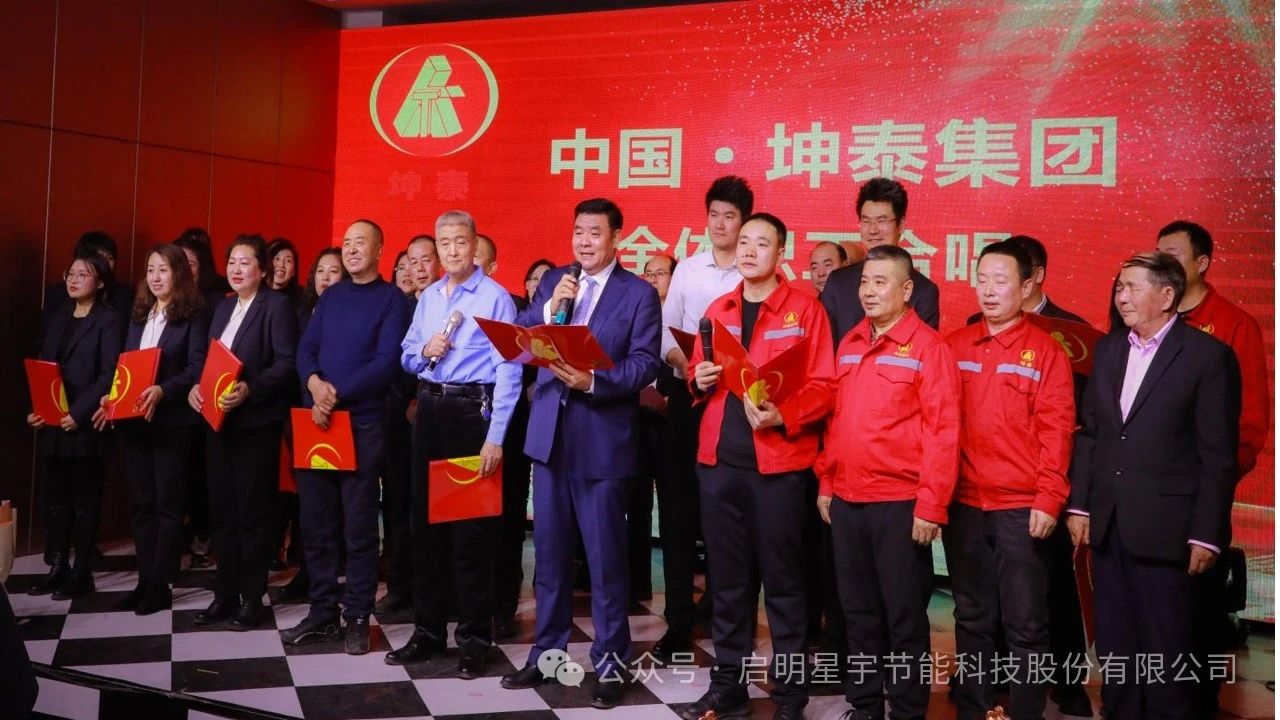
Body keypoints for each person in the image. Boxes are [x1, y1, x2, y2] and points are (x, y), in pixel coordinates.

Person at [500, 198, 661, 710]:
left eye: (595, 232)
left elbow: (644, 364)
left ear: (617, 238)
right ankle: (546, 655)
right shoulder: (555, 282)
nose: (584, 241)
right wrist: (551, 310)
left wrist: (593, 380)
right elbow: (521, 338)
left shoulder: (638, 294)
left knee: (605, 561)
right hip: (550, 437)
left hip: (602, 440)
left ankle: (610, 665)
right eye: (578, 232)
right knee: (549, 558)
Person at [1066, 252, 1240, 720]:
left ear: (1167, 296)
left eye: (1132, 287)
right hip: (1110, 525)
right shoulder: (1109, 350)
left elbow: (1218, 455)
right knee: (1117, 650)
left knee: (1167, 652)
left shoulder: (1208, 357)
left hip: (1171, 531)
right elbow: (1093, 434)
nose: (1121, 297)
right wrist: (1080, 505)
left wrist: (1207, 533)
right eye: (1119, 287)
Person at [681, 212, 836, 720]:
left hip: (780, 470)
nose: (748, 251)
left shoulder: (805, 310)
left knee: (785, 586)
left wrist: (783, 414)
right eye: (743, 242)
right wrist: (699, 377)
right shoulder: (718, 308)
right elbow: (696, 372)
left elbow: (825, 385)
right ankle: (728, 688)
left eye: (761, 243)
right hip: (720, 466)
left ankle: (789, 696)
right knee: (727, 586)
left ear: (781, 253)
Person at [815, 244, 960, 720]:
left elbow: (943, 431)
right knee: (857, 613)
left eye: (881, 282)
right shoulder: (850, 343)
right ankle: (864, 706)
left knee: (902, 617)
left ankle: (906, 709)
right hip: (848, 500)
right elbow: (836, 422)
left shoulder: (929, 348)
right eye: (864, 282)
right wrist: (827, 482)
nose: (869, 291)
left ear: (907, 289)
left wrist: (931, 505)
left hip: (900, 504)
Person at [961, 234, 1093, 716]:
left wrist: (1049, 498)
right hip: (965, 506)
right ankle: (972, 709)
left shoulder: (1047, 351)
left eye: (1001, 280)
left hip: (1021, 508)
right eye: (982, 279)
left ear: (1025, 286)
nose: (989, 290)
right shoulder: (954, 345)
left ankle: (1025, 711)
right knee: (972, 621)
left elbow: (1059, 431)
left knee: (1026, 625)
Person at [386, 211, 519, 677]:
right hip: (430, 410)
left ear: (474, 244)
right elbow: (406, 355)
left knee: (470, 535)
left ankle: (474, 639)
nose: (452, 251)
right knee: (425, 529)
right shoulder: (428, 298)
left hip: (470, 413)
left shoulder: (495, 298)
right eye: (444, 243)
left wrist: (495, 437)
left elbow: (510, 370)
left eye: (460, 242)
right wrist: (424, 352)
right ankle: (427, 632)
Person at [1154, 220, 1270, 716]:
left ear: (1202, 264)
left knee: (1196, 615)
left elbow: (1250, 423)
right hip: (1145, 497)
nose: (1162, 262)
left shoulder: (1233, 325)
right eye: (1157, 253)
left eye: (1173, 254)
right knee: (1149, 614)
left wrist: (1213, 484)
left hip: (1199, 498)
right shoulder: (1145, 318)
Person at [281, 220, 411, 655]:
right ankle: (322, 613)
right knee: (316, 525)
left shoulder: (392, 300)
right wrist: (314, 384)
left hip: (361, 425)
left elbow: (385, 363)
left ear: (380, 250)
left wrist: (333, 395)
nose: (352, 249)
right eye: (348, 243)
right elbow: (306, 350)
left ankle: (357, 615)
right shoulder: (332, 296)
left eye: (361, 243)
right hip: (318, 422)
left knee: (358, 529)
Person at [654, 175, 754, 660]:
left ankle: (724, 610)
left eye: (729, 216)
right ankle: (678, 617)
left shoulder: (754, 270)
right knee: (678, 511)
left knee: (728, 513)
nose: (720, 224)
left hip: (735, 405)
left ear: (744, 223)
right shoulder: (689, 270)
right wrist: (689, 363)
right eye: (713, 214)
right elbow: (666, 334)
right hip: (688, 398)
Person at [188, 235, 298, 630]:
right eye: (232, 262)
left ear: (263, 269)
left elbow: (286, 362)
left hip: (255, 424)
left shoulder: (276, 306)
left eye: (245, 262)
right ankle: (225, 594)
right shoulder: (222, 306)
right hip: (218, 423)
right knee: (223, 512)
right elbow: (210, 358)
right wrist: (197, 387)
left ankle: (252, 597)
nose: (236, 269)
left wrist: (251, 389)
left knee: (252, 513)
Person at [94, 244, 208, 615]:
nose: (155, 277)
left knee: (168, 506)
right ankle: (144, 580)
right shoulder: (141, 314)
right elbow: (126, 365)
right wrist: (112, 396)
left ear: (179, 273)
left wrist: (163, 390)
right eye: (150, 269)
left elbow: (196, 368)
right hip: (135, 422)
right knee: (142, 504)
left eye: (163, 269)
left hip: (171, 422)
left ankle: (161, 584)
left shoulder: (192, 315)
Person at [27, 252, 122, 599]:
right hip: (54, 422)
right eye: (71, 273)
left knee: (84, 501)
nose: (74, 279)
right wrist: (39, 409)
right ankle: (58, 567)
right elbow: (45, 366)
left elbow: (108, 375)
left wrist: (79, 413)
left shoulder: (109, 320)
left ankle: (82, 572)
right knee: (56, 500)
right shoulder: (60, 315)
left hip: (84, 425)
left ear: (100, 282)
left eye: (84, 274)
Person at [275, 248, 349, 603]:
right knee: (308, 500)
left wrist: (325, 399)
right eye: (320, 270)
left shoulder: (348, 314)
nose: (325, 277)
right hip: (301, 414)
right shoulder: (300, 312)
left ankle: (330, 575)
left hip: (337, 412)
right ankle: (308, 571)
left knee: (334, 501)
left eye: (333, 271)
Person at [494, 257, 550, 637]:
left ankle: (511, 597)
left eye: (545, 280)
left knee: (517, 511)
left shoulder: (559, 321)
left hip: (538, 427)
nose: (537, 285)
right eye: (533, 279)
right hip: (505, 425)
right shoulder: (513, 315)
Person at [821, 177, 940, 343]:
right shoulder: (838, 283)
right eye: (866, 221)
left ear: (901, 225)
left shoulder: (924, 291)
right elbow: (825, 347)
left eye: (881, 221)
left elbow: (923, 349)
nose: (873, 230)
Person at [175, 230, 229, 570]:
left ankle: (203, 535)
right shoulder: (160, 301)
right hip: (169, 400)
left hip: (203, 397)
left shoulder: (215, 301)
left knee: (200, 472)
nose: (184, 269)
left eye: (191, 263)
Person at [44, 231, 133, 323]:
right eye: (98, 257)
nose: (104, 263)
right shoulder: (57, 294)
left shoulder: (124, 296)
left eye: (109, 258)